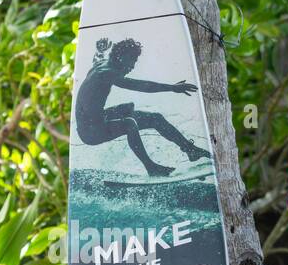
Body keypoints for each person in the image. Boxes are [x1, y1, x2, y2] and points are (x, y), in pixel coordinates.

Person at [74, 37, 211, 177]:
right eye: (131, 61)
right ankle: (151, 168)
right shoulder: (107, 73)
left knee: (154, 118)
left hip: (97, 118)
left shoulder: (101, 64)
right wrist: (172, 88)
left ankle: (190, 150)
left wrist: (100, 51)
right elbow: (141, 86)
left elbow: (96, 60)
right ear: (120, 58)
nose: (132, 66)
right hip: (90, 131)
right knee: (129, 124)